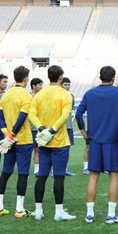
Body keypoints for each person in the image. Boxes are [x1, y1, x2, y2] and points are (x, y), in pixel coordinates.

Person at [76, 66, 118, 224]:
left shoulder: (90, 93)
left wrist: (83, 132)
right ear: (113, 78)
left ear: (100, 77)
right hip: (112, 140)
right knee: (114, 177)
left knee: (93, 176)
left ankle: (89, 214)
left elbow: (78, 114)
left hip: (95, 140)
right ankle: (111, 214)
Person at [29, 65, 75, 221]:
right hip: (60, 142)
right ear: (61, 77)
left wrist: (42, 129)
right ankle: (58, 212)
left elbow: (32, 115)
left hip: (44, 142)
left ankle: (39, 210)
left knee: (42, 176)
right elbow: (64, 115)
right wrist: (53, 130)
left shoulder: (39, 95)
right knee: (59, 177)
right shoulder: (65, 94)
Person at [0, 66, 35, 218]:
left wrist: (6, 134)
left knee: (6, 171)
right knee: (23, 174)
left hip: (8, 141)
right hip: (23, 139)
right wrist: (11, 135)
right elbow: (22, 118)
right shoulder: (26, 96)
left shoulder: (6, 95)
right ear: (26, 79)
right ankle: (19, 209)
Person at [61, 77, 76, 177]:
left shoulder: (71, 96)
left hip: (69, 126)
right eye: (65, 84)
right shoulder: (57, 95)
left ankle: (65, 169)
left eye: (68, 84)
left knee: (67, 148)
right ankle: (55, 169)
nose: (67, 86)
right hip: (59, 127)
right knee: (57, 148)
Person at [29, 78, 43, 176]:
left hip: (38, 127)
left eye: (42, 85)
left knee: (37, 150)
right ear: (33, 86)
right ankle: (25, 171)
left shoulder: (41, 96)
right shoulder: (28, 96)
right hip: (29, 127)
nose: (41, 87)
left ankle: (36, 171)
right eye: (39, 85)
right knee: (27, 150)